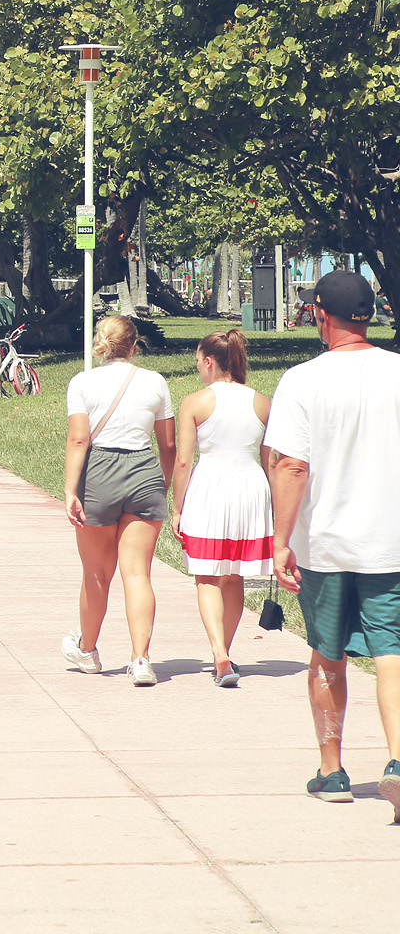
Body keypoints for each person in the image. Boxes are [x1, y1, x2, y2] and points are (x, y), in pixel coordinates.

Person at [262, 270, 400, 815]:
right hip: (390, 543)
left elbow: (291, 466)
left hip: (324, 545)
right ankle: (398, 761)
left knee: (327, 655)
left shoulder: (302, 381)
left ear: (321, 316)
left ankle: (332, 770)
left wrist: (280, 541)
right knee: (392, 652)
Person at [61, 315, 176, 686]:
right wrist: (163, 483)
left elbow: (79, 440)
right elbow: (168, 445)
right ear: (134, 343)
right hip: (144, 470)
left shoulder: (83, 382)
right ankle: (141, 659)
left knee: (96, 573)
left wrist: (70, 490)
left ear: (100, 342)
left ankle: (88, 651)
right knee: (137, 572)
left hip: (99, 473)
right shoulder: (155, 381)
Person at [171, 330, 272, 687]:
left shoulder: (195, 402)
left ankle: (218, 653)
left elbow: (184, 461)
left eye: (199, 362)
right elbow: (270, 460)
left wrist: (177, 508)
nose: (199, 368)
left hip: (211, 485)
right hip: (251, 486)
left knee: (207, 574)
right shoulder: (262, 402)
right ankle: (225, 653)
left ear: (209, 361)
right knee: (234, 575)